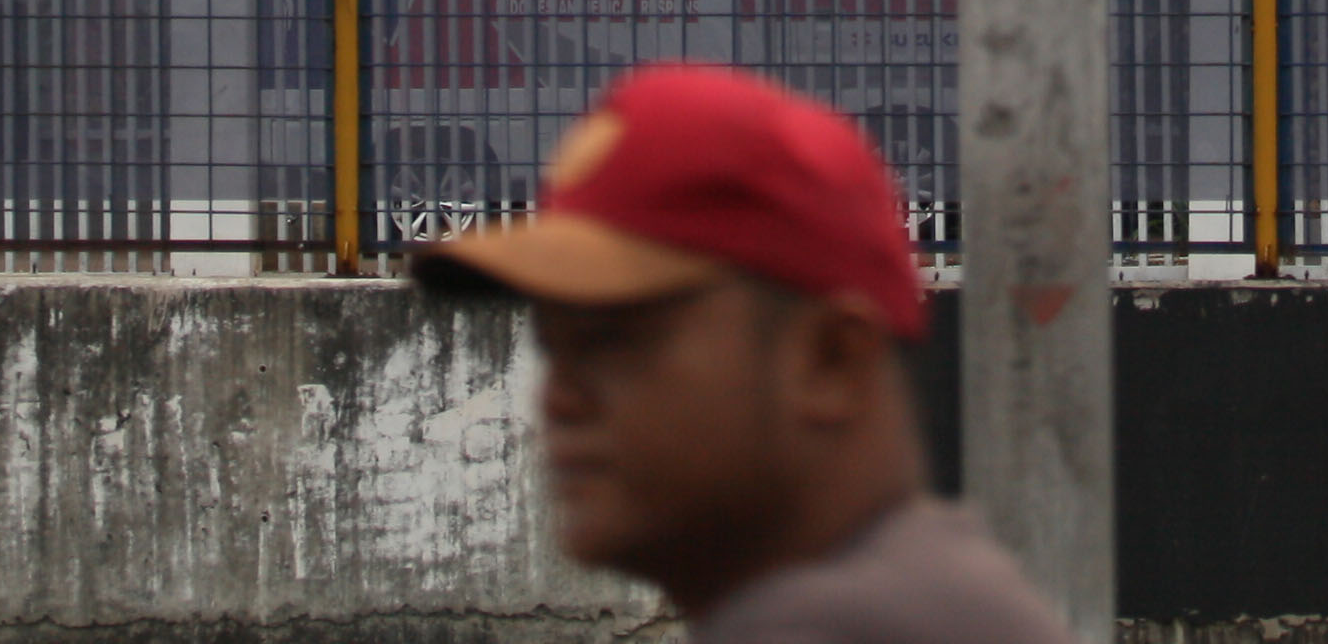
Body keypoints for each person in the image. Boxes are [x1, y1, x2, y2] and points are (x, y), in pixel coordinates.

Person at [415, 61, 1074, 644]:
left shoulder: (828, 627)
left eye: (614, 339)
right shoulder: (927, 596)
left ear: (830, 360)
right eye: (553, 346)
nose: (558, 397)